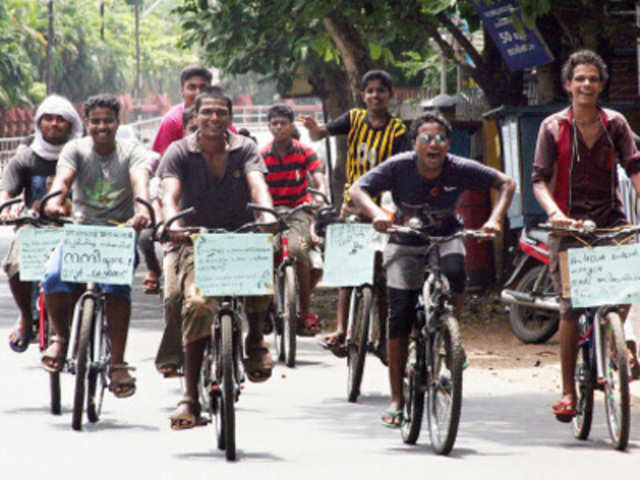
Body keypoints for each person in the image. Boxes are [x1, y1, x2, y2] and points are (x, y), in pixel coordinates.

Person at [349, 110, 515, 427]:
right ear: (415, 144)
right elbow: (358, 188)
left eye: (440, 138)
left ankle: (453, 334)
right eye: (426, 138)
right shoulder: (398, 166)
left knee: (455, 273)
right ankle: (397, 399)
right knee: (398, 316)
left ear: (448, 144)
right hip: (403, 239)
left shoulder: (460, 168)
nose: (434, 145)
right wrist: (376, 214)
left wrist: (494, 219)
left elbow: (507, 182)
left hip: (447, 237)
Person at [157, 87, 277, 429]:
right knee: (195, 305)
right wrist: (174, 223)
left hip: (240, 236)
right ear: (195, 117)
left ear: (230, 117)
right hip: (196, 241)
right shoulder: (178, 152)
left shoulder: (246, 149)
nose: (213, 118)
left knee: (261, 263)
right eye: (206, 112)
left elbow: (258, 186)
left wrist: (266, 215)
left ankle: (255, 339)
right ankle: (190, 396)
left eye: (220, 112)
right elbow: (169, 195)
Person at [531, 49, 640, 422]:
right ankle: (567, 391)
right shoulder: (552, 127)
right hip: (569, 227)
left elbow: (635, 168)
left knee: (628, 283)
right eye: (580, 79)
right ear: (568, 85)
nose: (587, 84)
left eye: (593, 78)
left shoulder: (616, 125)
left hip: (610, 220)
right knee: (570, 307)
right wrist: (556, 215)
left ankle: (617, 342)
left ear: (601, 84)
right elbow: (539, 180)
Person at [40, 93, 151, 399]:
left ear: (118, 122)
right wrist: (54, 201)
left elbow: (140, 182)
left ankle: (117, 363)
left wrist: (142, 211)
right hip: (81, 232)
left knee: (117, 289)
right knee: (51, 277)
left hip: (119, 233)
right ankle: (61, 338)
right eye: (96, 121)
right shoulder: (75, 149)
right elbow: (63, 180)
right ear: (87, 123)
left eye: (109, 121)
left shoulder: (132, 151)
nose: (102, 127)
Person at [299, 69, 411, 355]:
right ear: (363, 96)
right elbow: (319, 134)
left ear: (390, 95)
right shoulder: (353, 119)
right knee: (346, 270)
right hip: (352, 204)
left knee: (385, 275)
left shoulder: (398, 131)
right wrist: (313, 127)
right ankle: (340, 329)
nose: (375, 96)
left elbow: (404, 167)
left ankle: (385, 336)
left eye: (380, 91)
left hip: (384, 209)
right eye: (370, 91)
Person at [1, 95, 83, 353]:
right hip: (35, 227)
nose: (54, 124)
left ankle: (88, 317)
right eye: (48, 118)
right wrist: (8, 207)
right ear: (38, 122)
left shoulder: (84, 155)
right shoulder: (26, 158)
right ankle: (26, 317)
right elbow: (8, 191)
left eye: (61, 119)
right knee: (15, 266)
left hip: (75, 227)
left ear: (72, 125)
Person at [262, 104, 328, 335]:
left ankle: (304, 310)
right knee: (263, 254)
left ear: (292, 126)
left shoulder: (305, 152)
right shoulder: (262, 155)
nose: (279, 128)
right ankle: (266, 305)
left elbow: (318, 177)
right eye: (274, 123)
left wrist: (320, 194)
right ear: (269, 127)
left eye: (283, 123)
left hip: (298, 210)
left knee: (299, 250)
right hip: (268, 211)